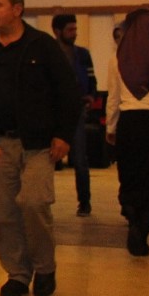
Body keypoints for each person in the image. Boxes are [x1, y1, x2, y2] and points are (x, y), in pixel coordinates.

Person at [0, 0, 80, 296]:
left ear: (17, 9)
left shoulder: (42, 45)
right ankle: (18, 274)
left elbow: (69, 92)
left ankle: (45, 267)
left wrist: (63, 134)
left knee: (34, 203)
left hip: (39, 144)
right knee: (6, 213)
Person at [105, 8, 149, 257]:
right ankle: (141, 234)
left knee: (131, 178)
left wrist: (111, 128)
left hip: (129, 124)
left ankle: (133, 220)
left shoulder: (117, 60)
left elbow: (113, 99)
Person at [52, 13, 98, 215]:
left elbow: (92, 79)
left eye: (75, 29)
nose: (74, 33)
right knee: (46, 158)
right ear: (57, 31)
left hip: (77, 109)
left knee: (80, 159)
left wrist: (91, 96)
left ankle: (84, 202)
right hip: (53, 110)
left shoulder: (83, 54)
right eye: (70, 30)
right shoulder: (50, 53)